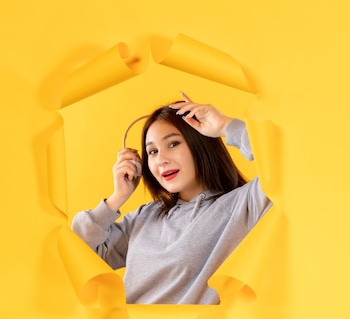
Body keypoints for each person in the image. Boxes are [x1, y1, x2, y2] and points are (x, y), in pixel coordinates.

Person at [71, 94, 272, 304]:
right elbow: (77, 252)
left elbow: (283, 161)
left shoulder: (241, 205)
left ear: (199, 144)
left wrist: (226, 126)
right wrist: (117, 198)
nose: (161, 160)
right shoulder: (146, 216)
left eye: (173, 144)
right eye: (152, 151)